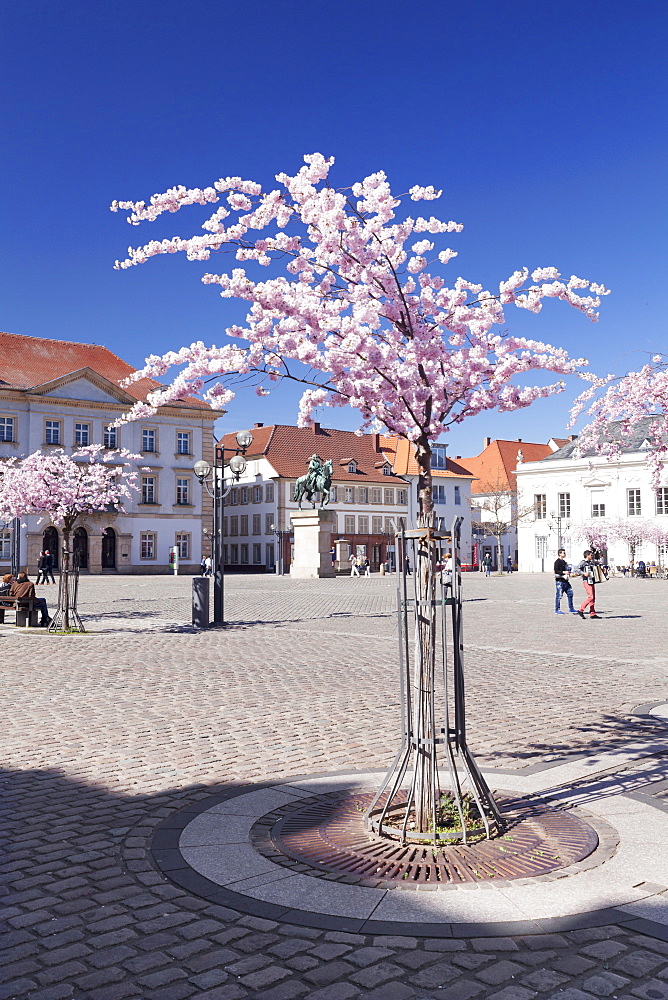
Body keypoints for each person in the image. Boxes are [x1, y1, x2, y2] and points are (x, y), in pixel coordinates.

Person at [577, 550, 600, 619]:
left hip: (592, 580)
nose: (592, 556)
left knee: (593, 598)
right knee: (591, 597)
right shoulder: (583, 562)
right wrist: (584, 573)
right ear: (587, 555)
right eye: (591, 555)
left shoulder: (591, 563)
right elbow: (577, 569)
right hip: (586, 581)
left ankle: (592, 613)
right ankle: (581, 609)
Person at [554, 548, 577, 615]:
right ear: (559, 554)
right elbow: (556, 571)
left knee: (570, 594)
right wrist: (564, 572)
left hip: (566, 581)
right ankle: (557, 609)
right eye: (563, 553)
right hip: (560, 581)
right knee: (559, 595)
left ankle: (571, 608)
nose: (564, 554)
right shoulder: (557, 562)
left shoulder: (564, 562)